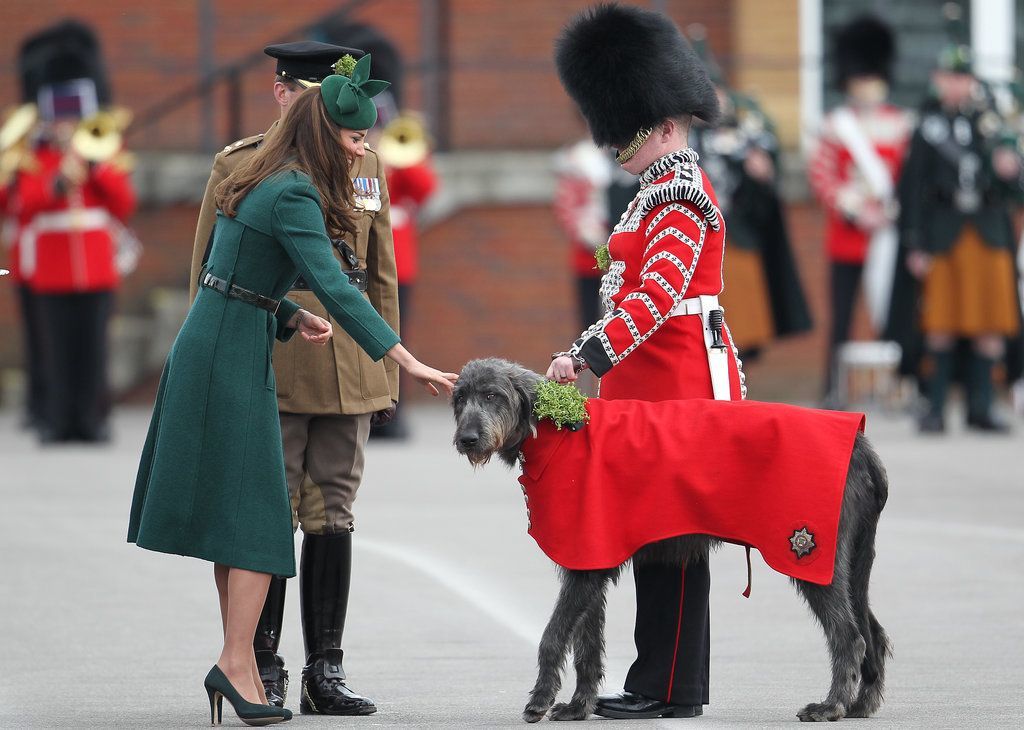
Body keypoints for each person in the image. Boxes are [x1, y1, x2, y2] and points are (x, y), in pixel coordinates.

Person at [128, 62, 456, 726]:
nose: (366, 149)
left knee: (249, 515)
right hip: (232, 352)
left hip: (239, 333)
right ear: (325, 130)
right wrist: (405, 358)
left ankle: (247, 661)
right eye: (357, 137)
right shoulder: (294, 191)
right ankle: (245, 662)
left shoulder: (272, 176)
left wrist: (284, 314)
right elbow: (336, 286)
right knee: (256, 518)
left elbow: (237, 270)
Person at [188, 41, 399, 714]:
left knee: (334, 510)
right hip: (271, 354)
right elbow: (206, 275)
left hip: (346, 362)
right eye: (302, 91)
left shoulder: (366, 166)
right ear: (282, 94)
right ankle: (263, 662)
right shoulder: (241, 164)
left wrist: (384, 369)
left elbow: (380, 273)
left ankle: (325, 670)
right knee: (267, 512)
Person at [548, 5, 744, 719]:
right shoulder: (651, 193)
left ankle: (670, 688)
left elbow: (655, 297)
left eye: (623, 132)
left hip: (679, 384)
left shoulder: (682, 198)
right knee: (651, 537)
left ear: (662, 122)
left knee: (675, 540)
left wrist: (587, 355)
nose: (613, 146)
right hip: (647, 385)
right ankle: (655, 680)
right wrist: (588, 353)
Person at [887, 42, 1022, 433]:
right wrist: (914, 242)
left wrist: (1009, 170)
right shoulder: (927, 126)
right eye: (949, 77)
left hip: (989, 232)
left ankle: (981, 408)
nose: (956, 85)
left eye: (962, 78)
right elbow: (911, 189)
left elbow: (1016, 190)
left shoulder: (995, 123)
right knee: (940, 322)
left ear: (972, 81)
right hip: (942, 233)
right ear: (937, 81)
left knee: (990, 322)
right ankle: (936, 408)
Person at [11, 20, 135, 443]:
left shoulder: (103, 150)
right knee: (58, 350)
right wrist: (59, 182)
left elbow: (123, 203)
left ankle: (92, 420)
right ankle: (59, 422)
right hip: (53, 267)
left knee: (93, 349)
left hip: (96, 267)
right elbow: (25, 206)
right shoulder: (35, 157)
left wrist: (95, 169)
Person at [688, 25, 811, 361]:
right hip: (693, 247)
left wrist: (762, 175)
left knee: (742, 338)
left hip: (738, 240)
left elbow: (763, 205)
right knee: (702, 342)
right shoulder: (679, 141)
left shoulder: (745, 139)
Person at [807, 15, 913, 408]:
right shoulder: (835, 126)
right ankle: (833, 388)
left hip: (889, 231)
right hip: (848, 235)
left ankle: (901, 386)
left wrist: (889, 212)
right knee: (842, 317)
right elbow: (822, 178)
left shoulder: (900, 124)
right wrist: (855, 209)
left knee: (897, 314)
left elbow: (909, 179)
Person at [553, 134, 611, 331]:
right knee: (589, 318)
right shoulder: (579, 159)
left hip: (620, 243)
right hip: (589, 250)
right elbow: (567, 210)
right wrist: (593, 238)